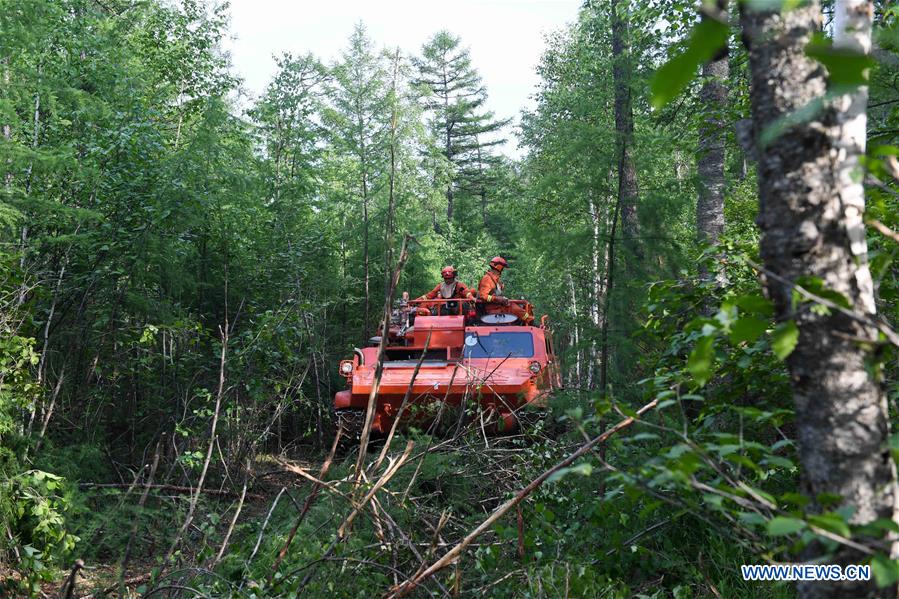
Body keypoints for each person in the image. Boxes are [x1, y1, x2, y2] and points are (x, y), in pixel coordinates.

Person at [477, 256, 534, 325]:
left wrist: (502, 299)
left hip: (499, 307)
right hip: (493, 309)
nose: (502, 271)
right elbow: (483, 296)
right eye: (503, 268)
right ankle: (530, 321)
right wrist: (497, 299)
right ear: (499, 267)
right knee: (514, 308)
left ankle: (528, 321)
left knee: (521, 307)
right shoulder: (487, 279)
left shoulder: (496, 279)